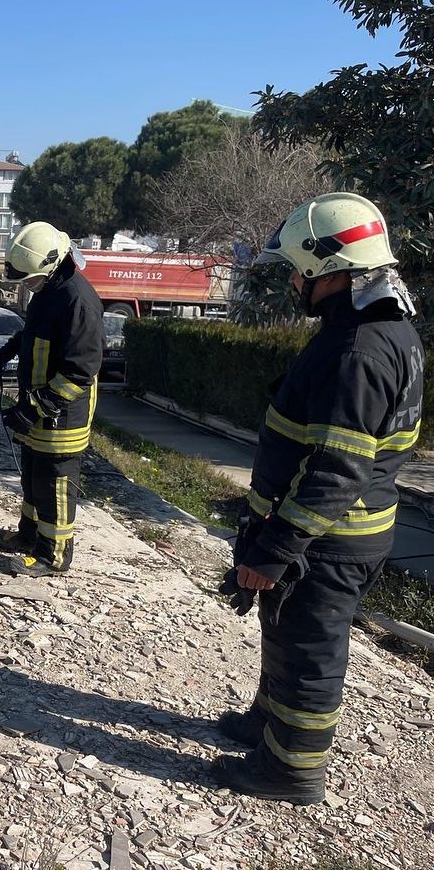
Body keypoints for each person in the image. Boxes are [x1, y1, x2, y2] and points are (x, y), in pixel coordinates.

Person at [213, 192, 423, 805]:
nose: (293, 282)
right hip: (328, 532)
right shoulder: (375, 328)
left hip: (326, 538)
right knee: (284, 630)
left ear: (326, 268)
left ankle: (290, 771)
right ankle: (268, 730)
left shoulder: (357, 350)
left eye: (296, 269)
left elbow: (335, 469)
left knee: (309, 650)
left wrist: (276, 547)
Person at [0, 221, 103, 578]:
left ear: (52, 264)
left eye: (30, 279)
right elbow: (33, 332)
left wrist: (35, 407)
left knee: (55, 484)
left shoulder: (79, 301)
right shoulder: (50, 291)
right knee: (33, 479)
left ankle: (53, 554)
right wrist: (6, 351)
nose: (27, 286)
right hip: (39, 409)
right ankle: (29, 537)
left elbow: (80, 370)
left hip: (62, 415)